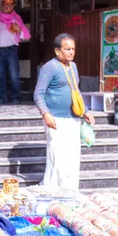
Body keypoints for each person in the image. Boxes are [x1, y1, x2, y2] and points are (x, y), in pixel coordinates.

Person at [33, 33, 95, 191]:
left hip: (73, 118)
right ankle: (55, 190)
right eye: (67, 49)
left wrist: (85, 111)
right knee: (58, 157)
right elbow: (38, 94)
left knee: (72, 157)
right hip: (56, 119)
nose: (71, 52)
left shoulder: (73, 66)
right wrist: (46, 114)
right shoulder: (49, 67)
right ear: (57, 51)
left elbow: (76, 91)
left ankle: (69, 190)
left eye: (73, 49)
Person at [0, 0, 30, 104]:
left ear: (13, 7)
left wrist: (18, 29)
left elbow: (23, 32)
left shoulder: (16, 18)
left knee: (14, 74)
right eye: (4, 4)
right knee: (0, 75)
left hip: (11, 49)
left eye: (9, 4)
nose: (6, 6)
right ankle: (2, 98)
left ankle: (16, 98)